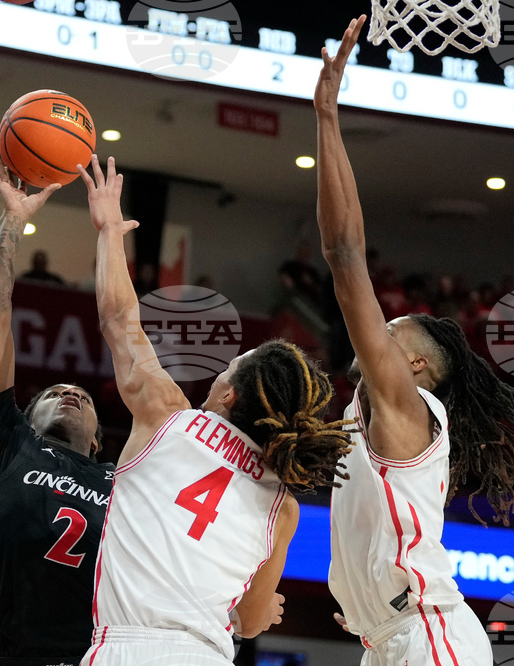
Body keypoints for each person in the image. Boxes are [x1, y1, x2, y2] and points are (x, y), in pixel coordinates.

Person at [314, 17, 514, 666]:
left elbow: (343, 256)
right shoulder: (364, 415)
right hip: (388, 640)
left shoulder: (409, 407)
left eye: (388, 335)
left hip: (427, 638)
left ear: (414, 364)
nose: (373, 337)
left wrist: (328, 121)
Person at [76, 154, 354, 666]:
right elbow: (248, 624)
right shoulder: (284, 506)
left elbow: (119, 319)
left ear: (228, 395)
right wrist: (263, 608)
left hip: (128, 647)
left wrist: (110, 232)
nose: (218, 374)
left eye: (227, 369)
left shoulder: (169, 417)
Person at [0, 157, 113, 666]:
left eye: (85, 397)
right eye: (53, 392)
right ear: (25, 418)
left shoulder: (124, 479)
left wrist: (111, 236)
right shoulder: (7, 446)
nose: (71, 394)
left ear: (98, 441)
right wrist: (14, 219)